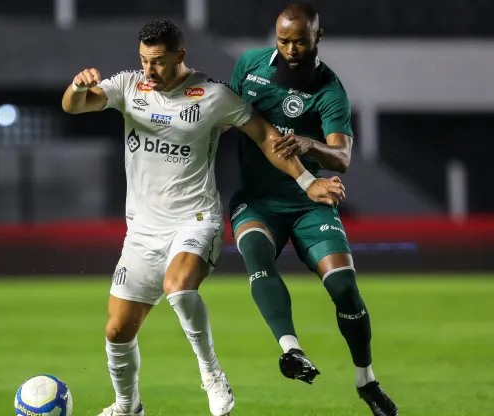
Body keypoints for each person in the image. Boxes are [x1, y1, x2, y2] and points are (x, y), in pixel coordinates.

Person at [62, 18, 345, 416]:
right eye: (143, 60)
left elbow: (265, 135)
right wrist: (77, 87)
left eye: (158, 61)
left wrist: (306, 182)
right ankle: (128, 406)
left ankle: (211, 374)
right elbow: (74, 107)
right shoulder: (129, 86)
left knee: (178, 287)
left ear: (180, 55)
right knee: (117, 330)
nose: (149, 71)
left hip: (195, 220)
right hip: (142, 232)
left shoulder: (212, 95)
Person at [225, 2, 398, 415]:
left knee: (343, 288)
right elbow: (227, 116)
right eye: (283, 40)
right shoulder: (248, 68)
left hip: (309, 202)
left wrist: (309, 144)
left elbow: (342, 157)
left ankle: (366, 379)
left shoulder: (329, 90)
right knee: (256, 254)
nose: (290, 49)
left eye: (299, 41)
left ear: (317, 38)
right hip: (257, 200)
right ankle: (290, 349)